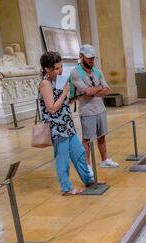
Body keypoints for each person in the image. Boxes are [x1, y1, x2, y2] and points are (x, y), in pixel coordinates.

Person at [39, 52, 100, 196]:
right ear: (47, 69)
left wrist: (70, 94)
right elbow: (52, 108)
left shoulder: (57, 81)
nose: (60, 71)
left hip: (67, 125)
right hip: (57, 129)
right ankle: (66, 188)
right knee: (63, 159)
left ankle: (88, 179)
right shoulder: (45, 83)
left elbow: (64, 103)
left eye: (61, 67)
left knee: (79, 154)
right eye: (56, 68)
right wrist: (64, 92)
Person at [69, 44, 119, 177]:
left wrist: (93, 90)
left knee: (102, 136)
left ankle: (104, 160)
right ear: (81, 57)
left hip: (100, 109)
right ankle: (87, 166)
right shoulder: (75, 72)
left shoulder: (97, 71)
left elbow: (107, 89)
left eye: (93, 58)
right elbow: (88, 91)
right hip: (87, 111)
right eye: (89, 58)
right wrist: (97, 88)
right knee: (87, 139)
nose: (91, 60)